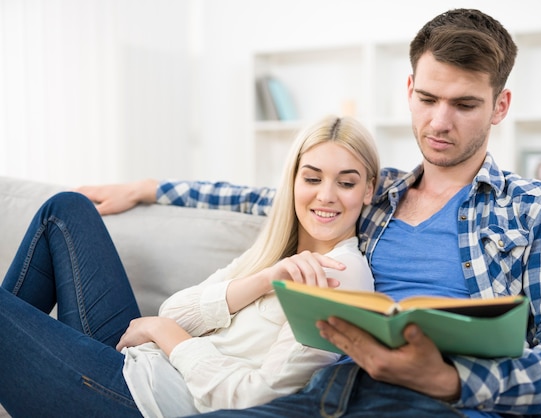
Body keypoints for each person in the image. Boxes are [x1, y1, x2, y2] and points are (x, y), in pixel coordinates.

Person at [77, 8, 541, 418]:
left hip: (445, 402)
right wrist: (150, 187)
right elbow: (272, 195)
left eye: (464, 104)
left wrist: (452, 380)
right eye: (427, 99)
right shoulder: (374, 197)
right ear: (408, 90)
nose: (440, 121)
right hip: (330, 393)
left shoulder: (540, 211)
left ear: (500, 105)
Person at [0, 115, 380, 418]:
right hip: (134, 362)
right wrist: (265, 279)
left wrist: (165, 334)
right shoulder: (274, 254)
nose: (325, 196)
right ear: (293, 180)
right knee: (65, 211)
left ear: (368, 189)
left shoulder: (337, 276)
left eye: (346, 183)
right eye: (312, 178)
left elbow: (255, 398)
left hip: (144, 401)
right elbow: (174, 311)